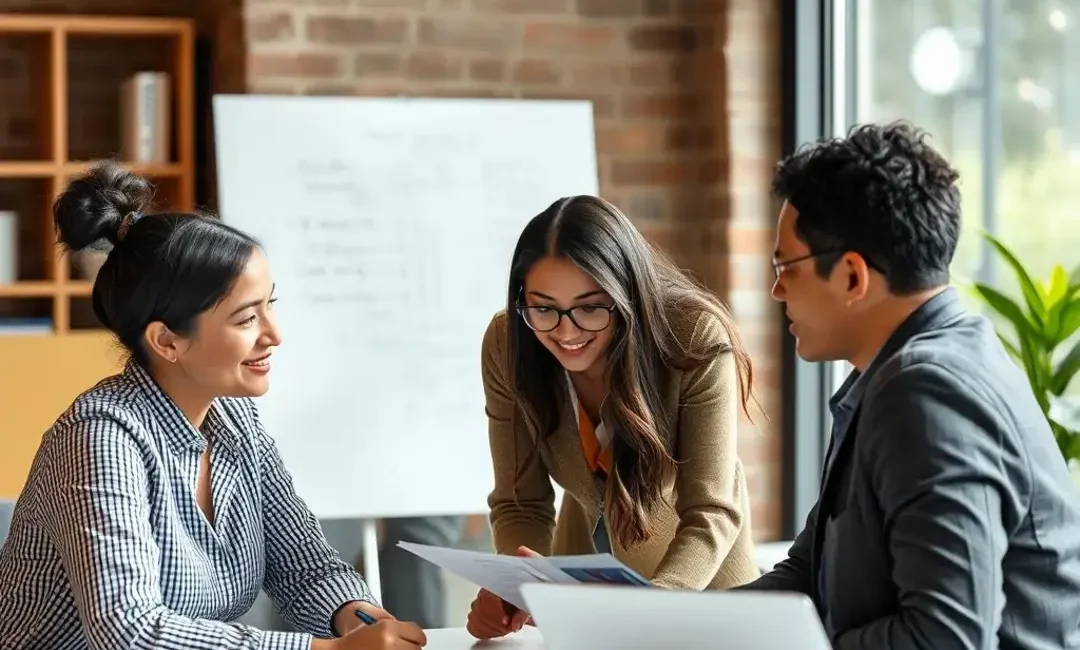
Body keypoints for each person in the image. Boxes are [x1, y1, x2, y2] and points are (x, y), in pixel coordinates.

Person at [0, 162, 426, 650]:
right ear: (166, 341)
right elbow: (128, 630)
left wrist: (356, 617)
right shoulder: (100, 437)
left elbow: (304, 564)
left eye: (271, 304)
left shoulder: (234, 420)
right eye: (246, 318)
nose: (274, 334)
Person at [740, 122, 1080, 648]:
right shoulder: (889, 372)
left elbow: (947, 636)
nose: (776, 288)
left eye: (785, 266)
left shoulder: (927, 391)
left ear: (853, 276)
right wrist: (678, 624)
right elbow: (810, 577)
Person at [467, 195, 761, 640]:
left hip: (704, 587)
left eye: (590, 307)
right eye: (543, 308)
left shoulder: (694, 338)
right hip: (584, 594)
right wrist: (515, 587)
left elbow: (711, 512)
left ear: (627, 296)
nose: (566, 332)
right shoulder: (508, 345)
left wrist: (657, 605)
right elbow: (519, 503)